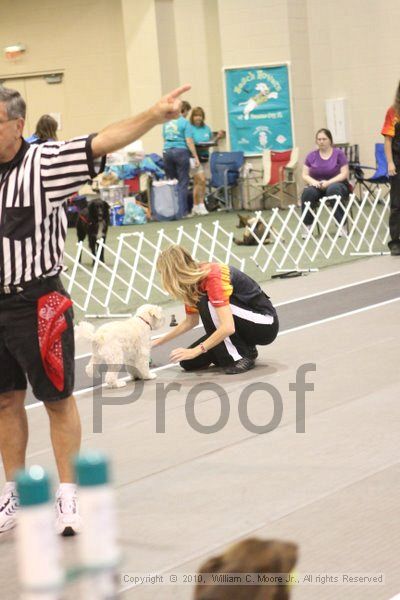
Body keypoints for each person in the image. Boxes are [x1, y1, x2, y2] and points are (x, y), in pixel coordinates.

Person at [0, 82, 191, 535]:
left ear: (17, 125)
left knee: (57, 400)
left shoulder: (44, 162)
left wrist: (153, 114)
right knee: (5, 401)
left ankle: (68, 498)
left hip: (37, 302)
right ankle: (13, 494)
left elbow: (101, 141)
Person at [153, 245, 279, 374]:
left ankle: (240, 356)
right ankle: (246, 348)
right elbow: (190, 322)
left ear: (171, 272)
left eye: (162, 273)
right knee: (189, 362)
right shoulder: (192, 283)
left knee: (207, 302)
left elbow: (228, 327)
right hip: (243, 324)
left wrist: (196, 350)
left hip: (265, 324)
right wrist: (157, 342)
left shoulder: (212, 277)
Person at [301, 128, 350, 236]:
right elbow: (304, 175)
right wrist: (314, 182)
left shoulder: (339, 154)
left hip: (337, 184)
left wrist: (328, 182)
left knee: (333, 190)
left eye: (324, 139)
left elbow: (344, 173)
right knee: (308, 193)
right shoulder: (311, 156)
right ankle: (307, 226)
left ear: (330, 140)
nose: (321, 141)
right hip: (317, 185)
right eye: (319, 139)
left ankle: (341, 225)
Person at [162, 100, 200, 217]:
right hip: (181, 151)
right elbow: (189, 141)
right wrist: (195, 156)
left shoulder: (166, 123)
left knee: (171, 181)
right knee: (183, 182)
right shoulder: (184, 123)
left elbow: (164, 139)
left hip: (167, 151)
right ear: (183, 110)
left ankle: (171, 211)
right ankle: (182, 212)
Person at [189, 106, 224, 216]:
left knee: (199, 183)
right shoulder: (189, 128)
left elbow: (210, 141)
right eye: (196, 116)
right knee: (201, 180)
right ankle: (201, 205)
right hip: (194, 158)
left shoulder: (206, 128)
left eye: (200, 116)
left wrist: (217, 137)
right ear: (192, 117)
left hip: (205, 157)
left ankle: (195, 206)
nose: (198, 118)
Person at [381, 81, 400, 256]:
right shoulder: (392, 112)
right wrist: (390, 162)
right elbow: (387, 140)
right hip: (397, 159)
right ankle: (395, 241)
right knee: (396, 203)